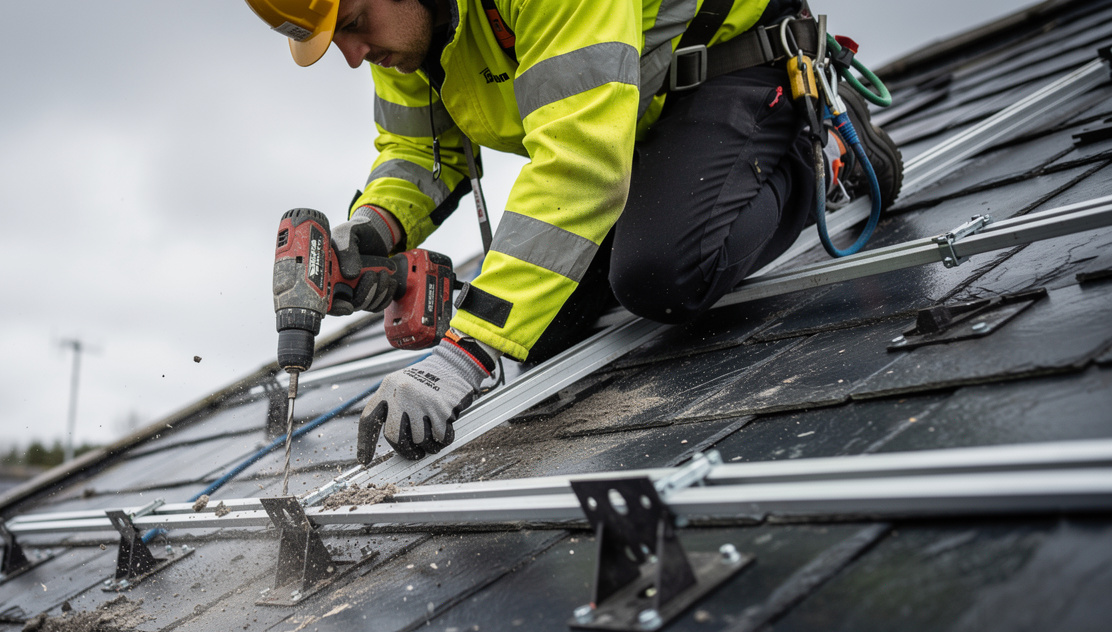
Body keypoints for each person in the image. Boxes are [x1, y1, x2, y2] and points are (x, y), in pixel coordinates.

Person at [245, 0, 901, 464]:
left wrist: (465, 351)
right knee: (539, 335)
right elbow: (420, 155)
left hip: (731, 67)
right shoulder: (410, 34)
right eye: (337, 41)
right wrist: (368, 233)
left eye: (354, 24)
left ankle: (822, 155)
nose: (355, 56)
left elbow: (581, 158)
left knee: (660, 274)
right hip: (634, 116)